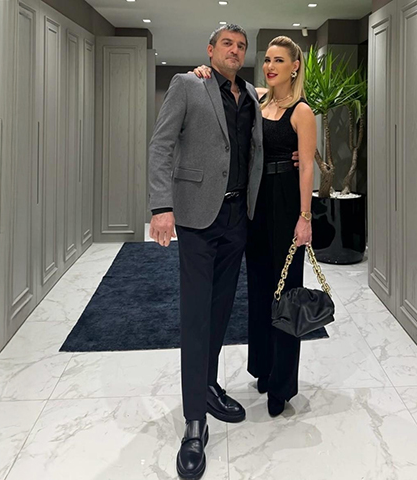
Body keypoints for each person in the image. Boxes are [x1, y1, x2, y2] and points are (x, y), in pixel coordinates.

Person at [148, 24, 262, 480]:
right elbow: (161, 145)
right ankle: (194, 422)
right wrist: (161, 207)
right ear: (210, 50)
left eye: (241, 46)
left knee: (219, 312)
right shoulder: (187, 84)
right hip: (197, 218)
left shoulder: (250, 95)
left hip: (237, 218)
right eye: (227, 44)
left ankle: (209, 385)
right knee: (196, 316)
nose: (235, 50)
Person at [192, 36, 316, 417]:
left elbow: (307, 168)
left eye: (279, 60)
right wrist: (203, 72)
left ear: (295, 66)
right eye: (267, 60)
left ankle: (282, 384)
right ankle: (263, 367)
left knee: (286, 295)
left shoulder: (302, 111)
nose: (270, 66)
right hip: (256, 205)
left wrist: (305, 217)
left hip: (287, 205)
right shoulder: (258, 101)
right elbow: (229, 85)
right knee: (260, 292)